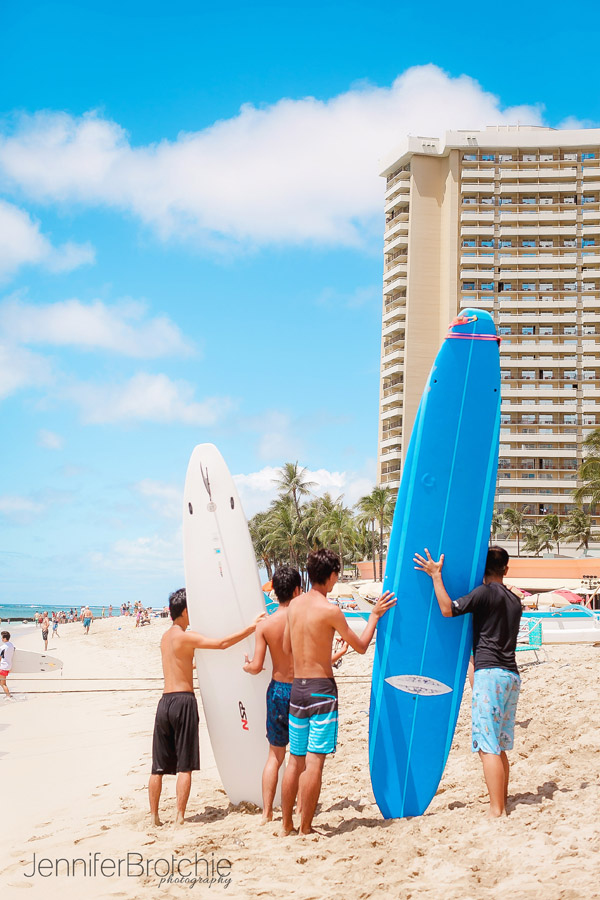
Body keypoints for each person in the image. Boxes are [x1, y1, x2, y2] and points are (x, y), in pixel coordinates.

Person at [280, 549, 395, 835]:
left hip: (298, 689)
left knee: (294, 759)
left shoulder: (293, 607)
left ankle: (286, 825)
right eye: (336, 575)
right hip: (321, 690)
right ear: (330, 575)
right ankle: (306, 827)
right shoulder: (330, 610)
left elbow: (286, 649)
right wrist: (375, 616)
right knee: (315, 761)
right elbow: (360, 645)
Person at [413, 545, 522, 819]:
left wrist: (436, 576)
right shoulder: (514, 600)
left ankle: (496, 810)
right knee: (499, 744)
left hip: (492, 675)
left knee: (487, 746)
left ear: (481, 569)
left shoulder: (484, 594)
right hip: (511, 675)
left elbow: (448, 610)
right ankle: (502, 801)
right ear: (505, 570)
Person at [148, 588, 265, 827]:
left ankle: (155, 817)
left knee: (157, 767)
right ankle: (180, 817)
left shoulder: (165, 638)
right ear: (185, 611)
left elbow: (182, 663)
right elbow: (222, 644)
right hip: (183, 701)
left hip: (164, 703)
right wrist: (251, 628)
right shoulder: (186, 636)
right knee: (184, 765)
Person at [0, 631, 16, 701]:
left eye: (2, 637)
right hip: (9, 666)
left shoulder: (3, 647)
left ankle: (8, 696)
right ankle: (8, 694)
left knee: (3, 684)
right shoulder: (11, 645)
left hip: (3, 666)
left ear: (5, 638)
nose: (1, 639)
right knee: (2, 682)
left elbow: (0, 657)